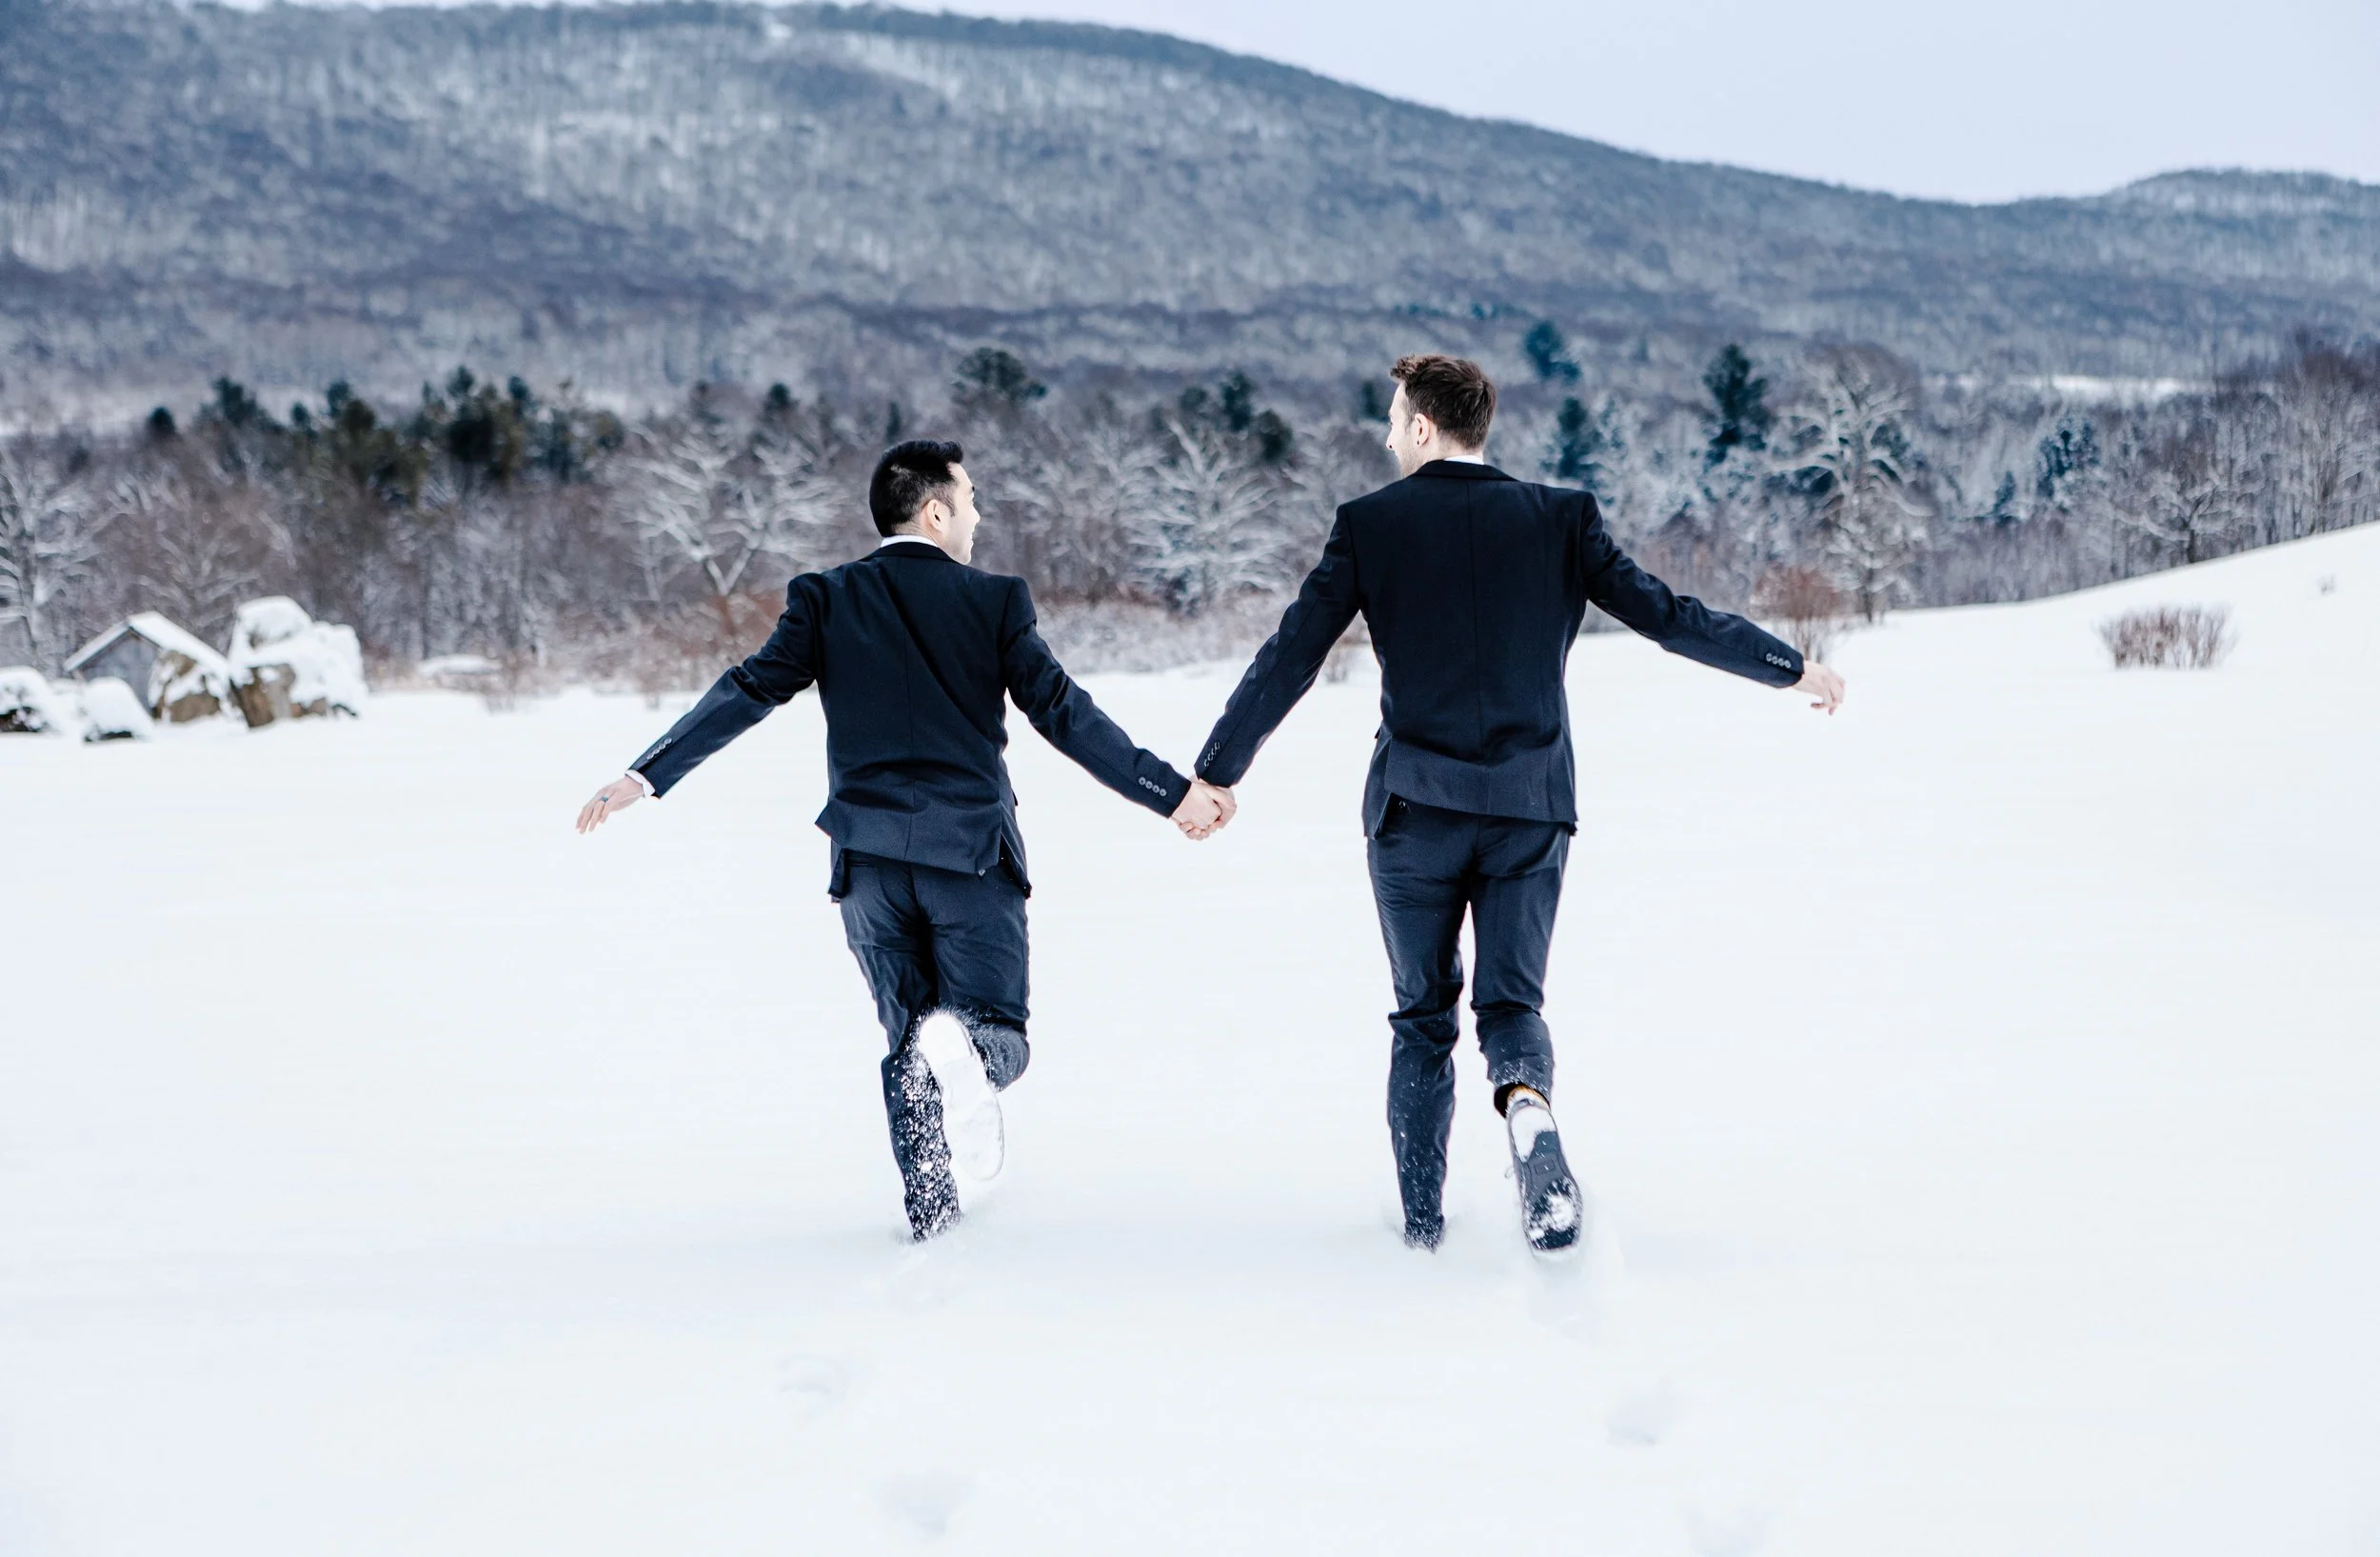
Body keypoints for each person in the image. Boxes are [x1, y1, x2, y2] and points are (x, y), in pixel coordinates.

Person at [1188, 355, 1845, 1254]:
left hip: (1414, 812)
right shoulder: (1560, 517)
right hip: (1532, 809)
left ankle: (1421, 1225)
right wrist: (1790, 665)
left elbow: (1290, 655)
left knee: (1423, 1015)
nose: (1387, 436)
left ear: (1423, 426)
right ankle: (1526, 1102)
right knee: (1510, 1007)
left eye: (1392, 420)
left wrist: (1217, 771)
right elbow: (1667, 615)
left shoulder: (1369, 525)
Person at [576, 439, 1231, 1240]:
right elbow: (1063, 712)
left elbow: (746, 689)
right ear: (935, 511)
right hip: (970, 860)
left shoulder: (824, 598)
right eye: (971, 498)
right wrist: (1171, 795)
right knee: (994, 1033)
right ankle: (971, 1054)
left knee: (909, 1046)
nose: (978, 513)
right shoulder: (994, 601)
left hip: (868, 868)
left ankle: (932, 1213)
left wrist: (643, 775)